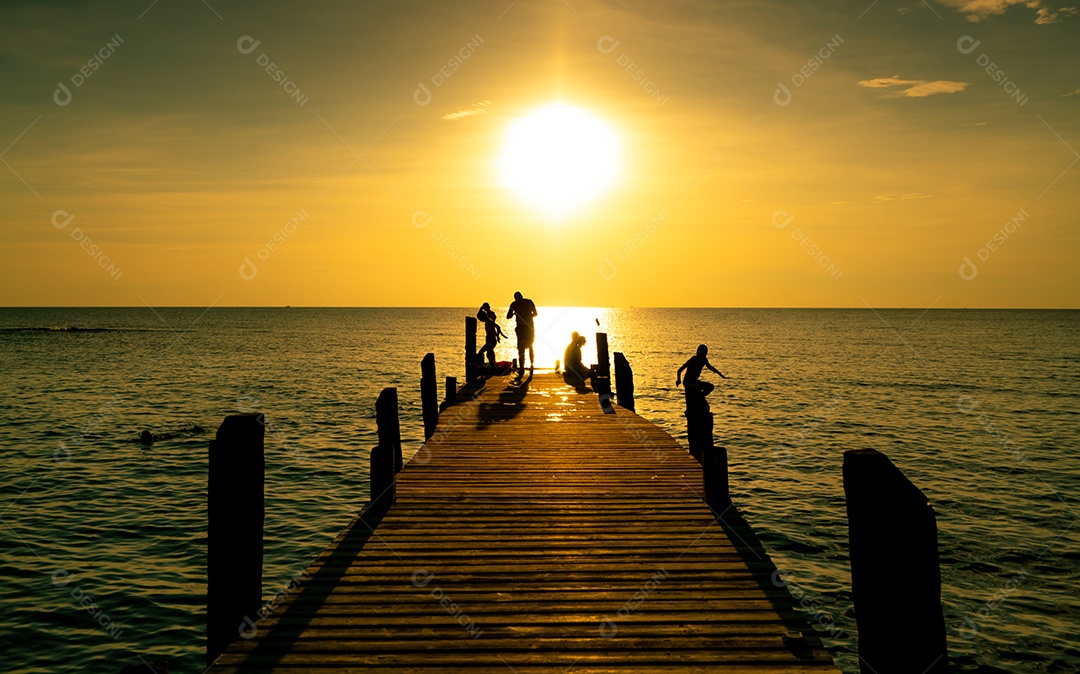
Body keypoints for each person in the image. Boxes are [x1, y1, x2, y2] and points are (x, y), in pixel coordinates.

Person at [506, 291, 538, 373]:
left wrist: (515, 313)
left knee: (523, 347)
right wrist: (528, 316)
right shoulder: (528, 302)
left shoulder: (515, 304)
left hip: (523, 327)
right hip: (527, 327)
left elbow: (508, 316)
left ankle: (524, 367)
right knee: (528, 347)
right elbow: (535, 314)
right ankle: (528, 366)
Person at [476, 302, 506, 367]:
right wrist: (497, 335)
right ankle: (492, 366)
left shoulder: (489, 320)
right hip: (492, 338)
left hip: (491, 339)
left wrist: (499, 334)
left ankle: (481, 366)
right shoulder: (489, 319)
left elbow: (497, 326)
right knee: (489, 354)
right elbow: (496, 327)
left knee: (481, 352)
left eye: (481, 319)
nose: (481, 321)